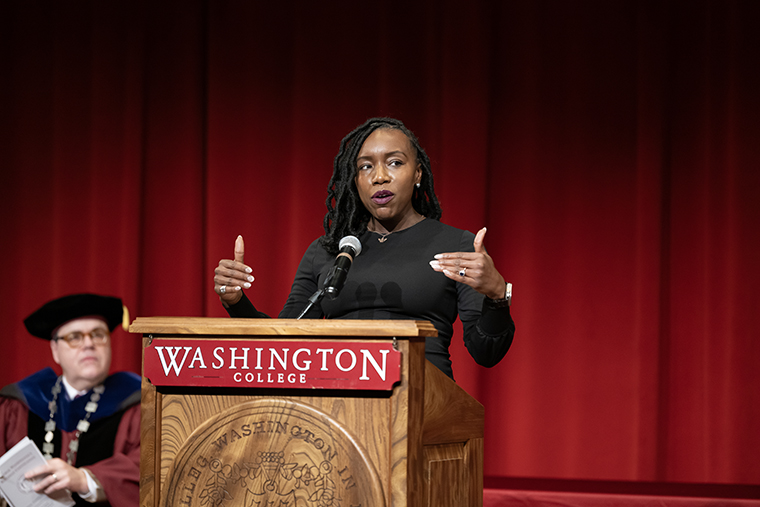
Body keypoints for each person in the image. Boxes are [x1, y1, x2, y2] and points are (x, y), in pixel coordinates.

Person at [214, 117, 515, 379]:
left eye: (395, 162)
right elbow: (283, 342)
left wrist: (496, 295)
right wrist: (237, 301)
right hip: (338, 407)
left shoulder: (454, 245)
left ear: (418, 174)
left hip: (426, 407)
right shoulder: (331, 250)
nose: (379, 176)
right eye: (365, 166)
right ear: (355, 180)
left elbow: (486, 351)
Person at [0, 294, 140, 507]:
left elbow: (150, 467)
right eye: (74, 337)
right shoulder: (19, 402)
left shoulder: (138, 402)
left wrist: (85, 479)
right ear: (55, 350)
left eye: (98, 334)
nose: (88, 344)